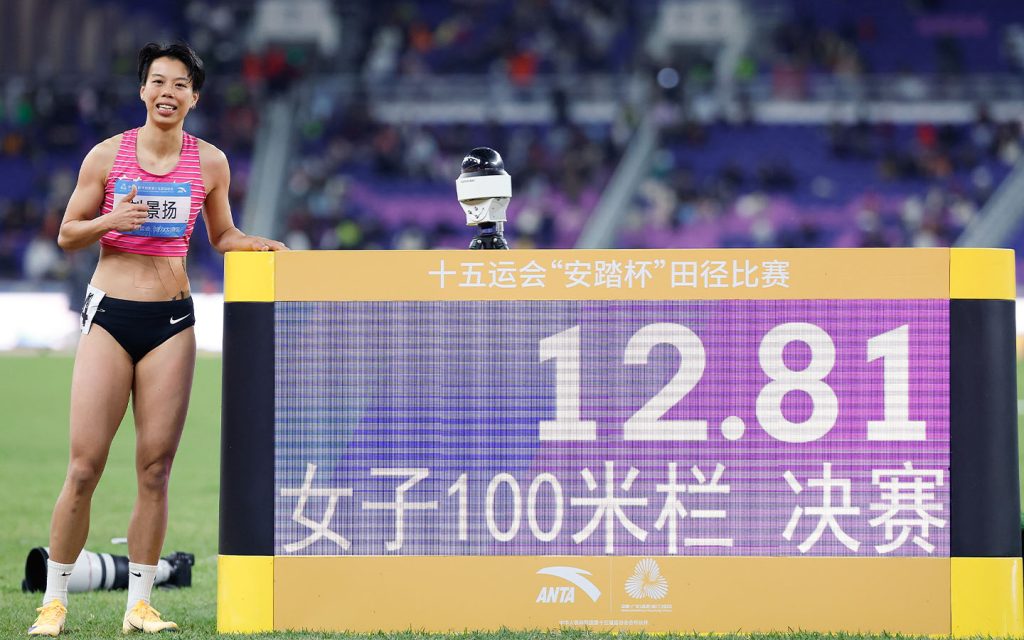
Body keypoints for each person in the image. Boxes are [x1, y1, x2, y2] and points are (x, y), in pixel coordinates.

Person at [27, 42, 286, 637]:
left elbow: (221, 234)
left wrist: (254, 243)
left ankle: (139, 605)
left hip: (172, 322)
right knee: (86, 465)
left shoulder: (211, 162)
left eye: (179, 84)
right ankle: (54, 601)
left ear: (194, 97)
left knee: (155, 469)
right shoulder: (108, 155)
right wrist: (110, 223)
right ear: (142, 91)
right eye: (157, 82)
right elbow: (67, 233)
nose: (167, 92)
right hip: (111, 316)